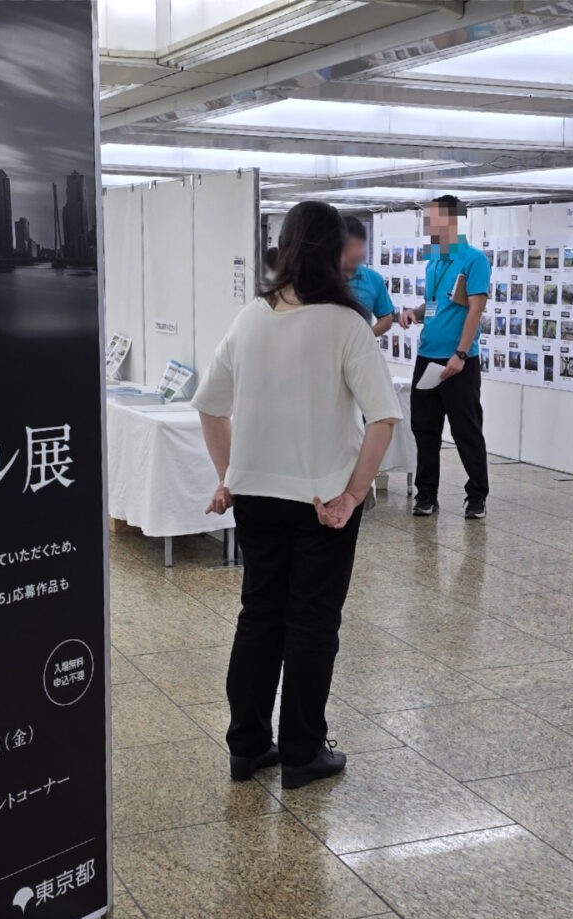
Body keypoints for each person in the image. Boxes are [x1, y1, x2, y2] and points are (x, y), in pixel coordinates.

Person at [193, 200, 401, 789]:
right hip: (321, 502)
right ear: (338, 254)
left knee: (259, 616)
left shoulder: (251, 317)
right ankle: (304, 752)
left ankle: (248, 746)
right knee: (311, 623)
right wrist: (355, 495)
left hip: (256, 496)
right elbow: (383, 419)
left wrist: (229, 473)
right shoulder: (346, 323)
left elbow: (210, 405)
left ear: (284, 248)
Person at [399, 195, 490, 519]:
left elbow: (475, 309)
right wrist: (415, 313)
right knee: (424, 428)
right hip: (427, 356)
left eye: (434, 219)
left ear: (451, 221)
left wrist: (461, 354)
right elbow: (438, 304)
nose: (429, 225)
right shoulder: (435, 261)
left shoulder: (473, 260)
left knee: (466, 429)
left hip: (458, 361)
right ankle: (426, 495)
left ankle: (477, 495)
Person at [342, 216, 396, 336]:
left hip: (361, 352)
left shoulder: (373, 279)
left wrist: (365, 338)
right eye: (350, 246)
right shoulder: (322, 278)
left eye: (360, 246)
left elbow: (386, 318)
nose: (356, 252)